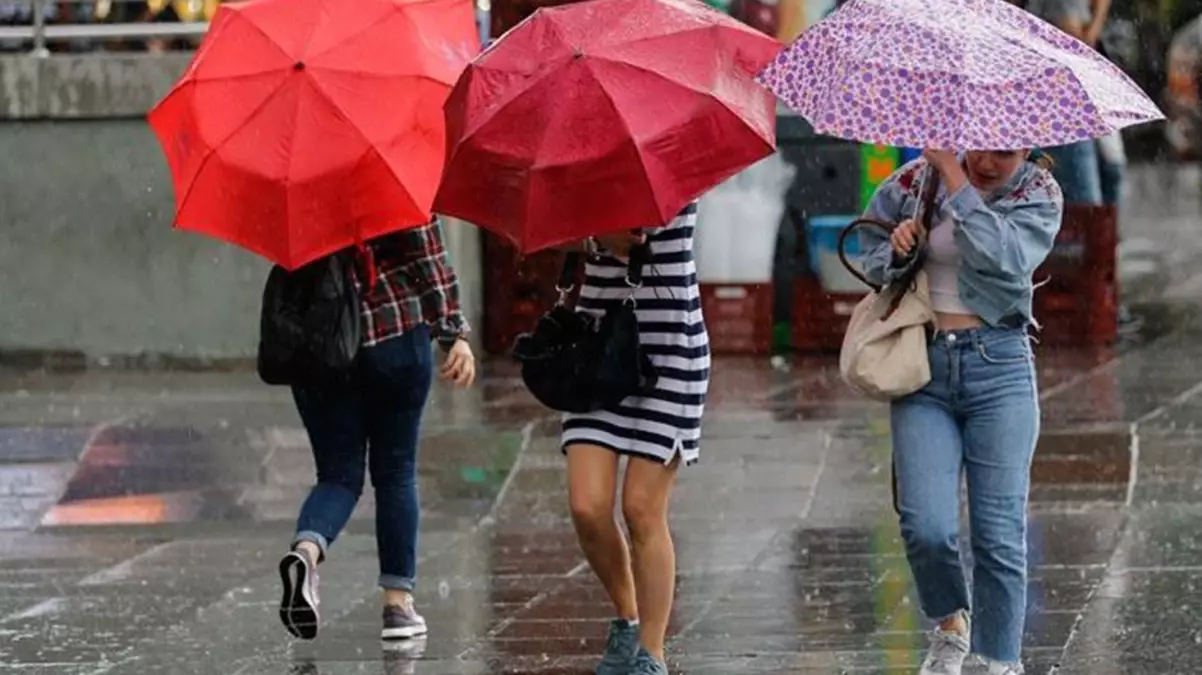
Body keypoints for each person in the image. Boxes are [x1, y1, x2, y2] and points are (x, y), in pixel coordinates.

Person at [857, 150, 1063, 675]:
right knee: (925, 525)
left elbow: (1006, 258)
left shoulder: (1037, 192)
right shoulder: (914, 181)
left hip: (1001, 368)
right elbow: (871, 251)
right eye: (984, 149)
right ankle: (950, 624)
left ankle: (1001, 661)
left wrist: (956, 179)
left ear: (1027, 144)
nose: (992, 163)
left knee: (997, 533)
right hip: (923, 368)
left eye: (1007, 152)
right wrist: (900, 249)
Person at [277, 217, 477, 642]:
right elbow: (428, 256)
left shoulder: (295, 181)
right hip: (395, 335)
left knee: (337, 476)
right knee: (395, 474)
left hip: (323, 348)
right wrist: (452, 332)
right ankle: (397, 607)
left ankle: (306, 553)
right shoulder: (391, 170)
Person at [561, 203, 709, 675]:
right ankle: (626, 618)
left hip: (669, 353)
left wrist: (622, 234)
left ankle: (651, 653)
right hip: (598, 350)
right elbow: (544, 236)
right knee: (587, 506)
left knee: (641, 508)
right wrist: (594, 235)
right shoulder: (577, 164)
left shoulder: (674, 146)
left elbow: (666, 223)